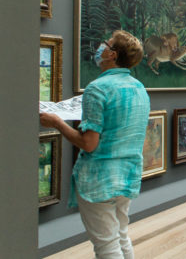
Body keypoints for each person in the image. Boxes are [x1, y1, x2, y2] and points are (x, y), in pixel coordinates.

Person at [39, 30, 150, 258]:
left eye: (105, 44)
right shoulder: (139, 88)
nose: (101, 47)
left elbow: (88, 144)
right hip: (128, 176)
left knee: (107, 246)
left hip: (99, 180)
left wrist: (57, 122)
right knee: (121, 236)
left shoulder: (97, 88)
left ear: (112, 54)